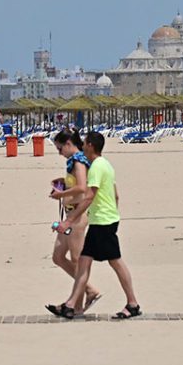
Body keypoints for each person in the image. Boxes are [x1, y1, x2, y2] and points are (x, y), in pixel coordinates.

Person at [47, 131, 141, 320]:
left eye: (85, 142)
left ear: (90, 145)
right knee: (83, 262)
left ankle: (133, 303)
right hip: (101, 220)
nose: (83, 145)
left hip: (103, 221)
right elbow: (115, 193)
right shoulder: (102, 164)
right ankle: (72, 305)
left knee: (115, 262)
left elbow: (88, 194)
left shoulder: (95, 166)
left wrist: (68, 220)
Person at [45, 129, 103, 314]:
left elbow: (81, 188)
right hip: (69, 215)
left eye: (60, 148)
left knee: (77, 259)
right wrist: (63, 181)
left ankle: (77, 302)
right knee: (58, 256)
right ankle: (87, 290)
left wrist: (61, 194)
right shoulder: (73, 161)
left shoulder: (78, 160)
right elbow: (76, 183)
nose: (59, 153)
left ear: (69, 144)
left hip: (77, 216)